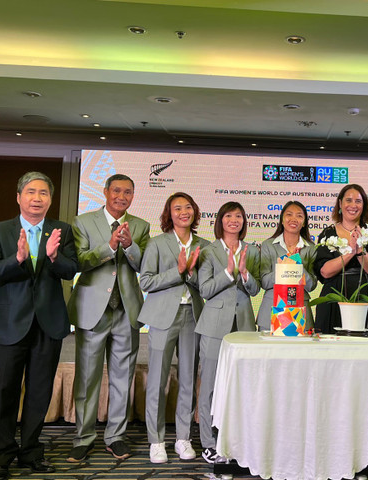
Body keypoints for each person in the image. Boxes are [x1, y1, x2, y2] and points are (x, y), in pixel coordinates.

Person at [0, 171, 78, 480]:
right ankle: (0, 456)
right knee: (4, 392)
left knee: (39, 393)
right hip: (9, 324)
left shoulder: (61, 229)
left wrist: (52, 257)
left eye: (44, 194)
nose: (37, 199)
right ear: (19, 197)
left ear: (50, 199)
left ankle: (32, 452)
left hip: (48, 324)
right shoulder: (0, 230)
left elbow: (72, 269)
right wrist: (18, 259)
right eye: (31, 192)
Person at [66, 174, 150, 463]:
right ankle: (83, 437)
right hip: (93, 310)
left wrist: (129, 246)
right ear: (105, 192)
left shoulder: (140, 226)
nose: (121, 196)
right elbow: (80, 261)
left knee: (122, 377)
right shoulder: (83, 221)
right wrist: (110, 246)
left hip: (127, 310)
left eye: (128, 192)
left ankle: (116, 437)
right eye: (116, 191)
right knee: (87, 378)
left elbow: (144, 266)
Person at [138, 192, 209, 463]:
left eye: (188, 207)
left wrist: (190, 273)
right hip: (162, 316)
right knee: (157, 379)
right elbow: (146, 281)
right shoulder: (157, 243)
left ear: (195, 211)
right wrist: (177, 271)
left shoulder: (204, 245)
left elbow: (205, 284)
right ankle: (156, 441)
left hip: (193, 315)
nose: (183, 212)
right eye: (177, 208)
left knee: (189, 378)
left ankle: (183, 438)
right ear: (169, 214)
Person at [194, 201, 260, 463]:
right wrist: (228, 271)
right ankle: (208, 442)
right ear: (220, 220)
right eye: (229, 216)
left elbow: (254, 290)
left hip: (243, 322)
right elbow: (205, 290)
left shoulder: (251, 251)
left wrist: (244, 273)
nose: (234, 220)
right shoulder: (208, 252)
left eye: (239, 216)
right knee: (209, 382)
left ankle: (236, 438)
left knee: (240, 383)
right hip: (214, 324)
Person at [313, 183, 368, 337]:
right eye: (348, 200)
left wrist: (360, 251)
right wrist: (350, 253)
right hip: (334, 298)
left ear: (364, 206)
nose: (353, 205)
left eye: (358, 201)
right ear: (340, 204)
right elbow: (325, 272)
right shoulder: (328, 233)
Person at [257, 201, 317, 332]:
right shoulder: (268, 245)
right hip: (271, 309)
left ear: (305, 222)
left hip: (300, 311)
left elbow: (311, 286)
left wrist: (298, 266)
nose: (294, 219)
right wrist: (283, 268)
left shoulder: (311, 248)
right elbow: (264, 282)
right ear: (282, 220)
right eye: (289, 215)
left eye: (299, 216)